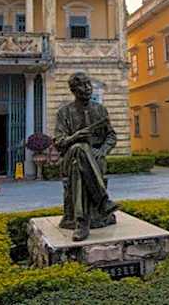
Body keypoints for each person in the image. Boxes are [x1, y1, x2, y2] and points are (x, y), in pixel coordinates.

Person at [54, 71, 118, 241]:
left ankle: (81, 222)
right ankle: (103, 201)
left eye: (89, 84)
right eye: (83, 85)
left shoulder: (100, 110)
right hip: (70, 154)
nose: (88, 88)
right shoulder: (64, 113)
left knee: (78, 170)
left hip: (94, 158)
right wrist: (75, 137)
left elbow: (111, 136)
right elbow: (59, 143)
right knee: (80, 149)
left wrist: (102, 150)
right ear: (74, 90)